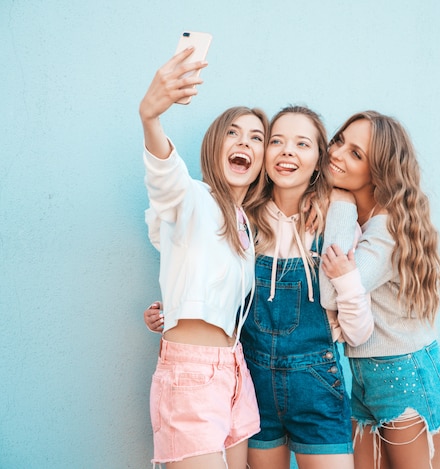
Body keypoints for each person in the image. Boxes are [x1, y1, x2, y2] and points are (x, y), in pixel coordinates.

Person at [145, 106, 373, 469]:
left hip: (315, 386)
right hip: (252, 381)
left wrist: (341, 207)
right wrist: (173, 308)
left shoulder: (334, 219)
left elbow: (359, 331)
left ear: (318, 161)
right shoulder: (243, 218)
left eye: (302, 144)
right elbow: (202, 264)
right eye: (277, 141)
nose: (286, 151)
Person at [319, 111, 440, 469]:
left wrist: (340, 200)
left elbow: (331, 292)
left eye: (356, 154)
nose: (337, 153)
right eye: (340, 140)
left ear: (379, 172)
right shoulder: (365, 220)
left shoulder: (385, 230)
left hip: (408, 377)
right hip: (366, 378)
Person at [139, 47, 269, 469]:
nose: (244, 142)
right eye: (233, 133)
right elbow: (167, 181)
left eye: (256, 138)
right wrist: (150, 118)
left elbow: (203, 283)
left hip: (235, 370)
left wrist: (172, 308)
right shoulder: (194, 199)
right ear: (215, 145)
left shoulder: (245, 224)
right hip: (191, 376)